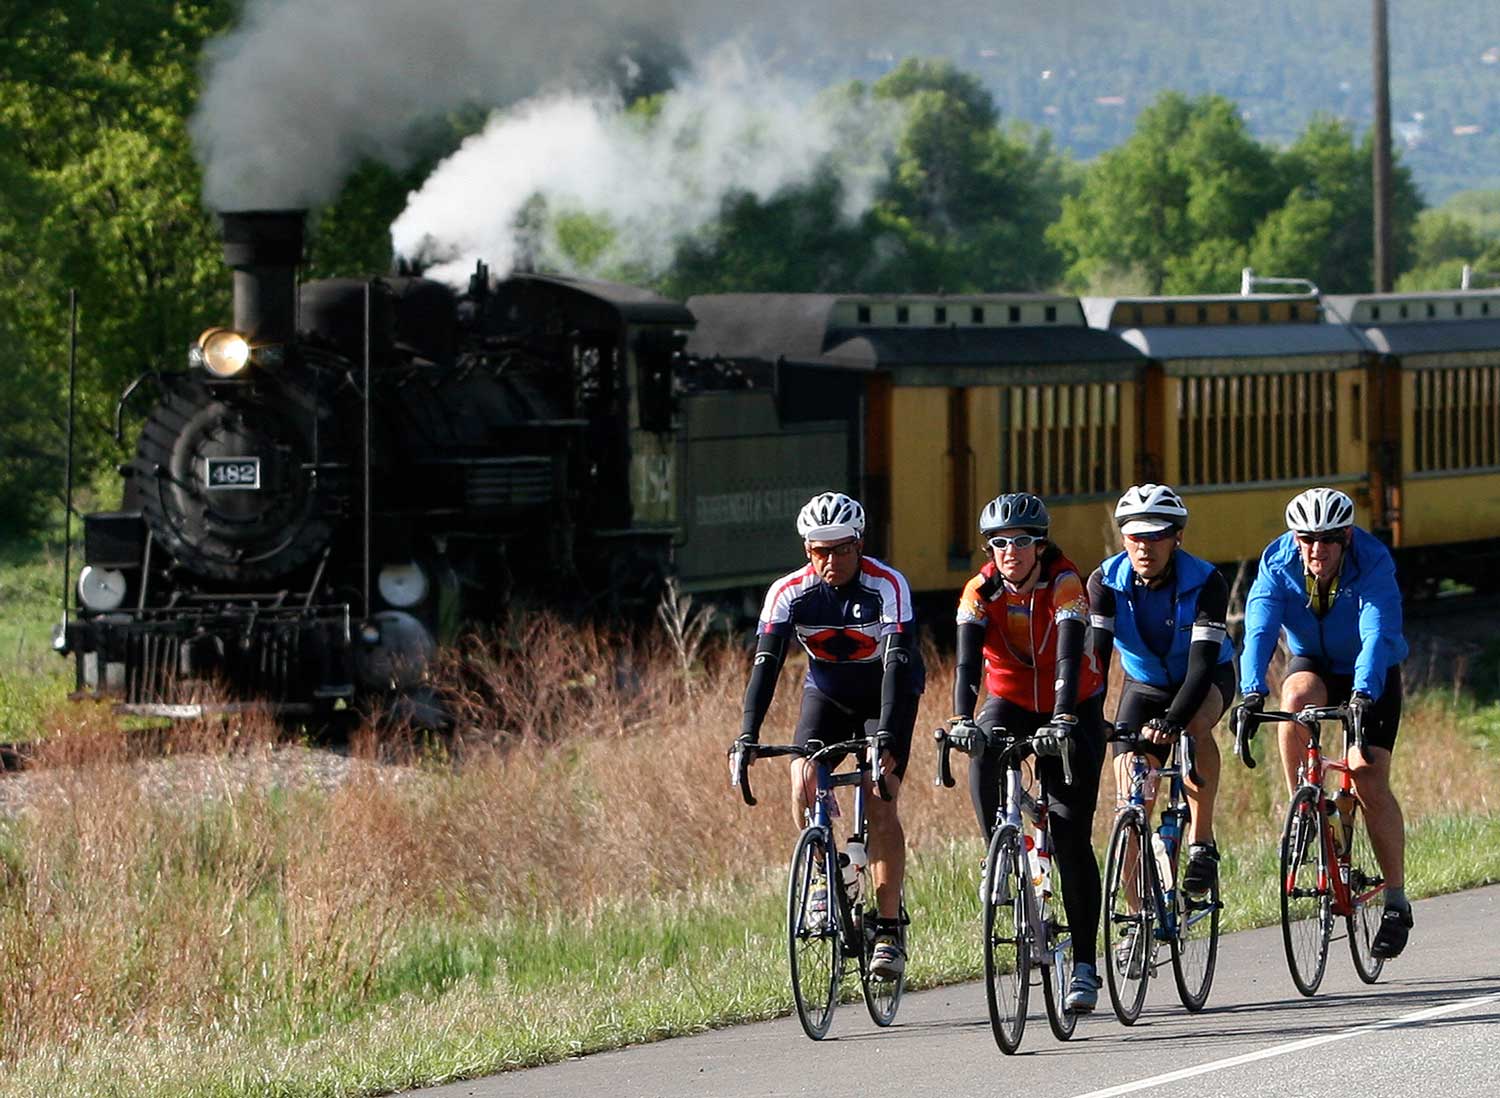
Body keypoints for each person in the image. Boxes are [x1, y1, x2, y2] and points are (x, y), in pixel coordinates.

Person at [734, 491, 925, 979]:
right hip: (828, 692)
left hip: (887, 691)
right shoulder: (788, 592)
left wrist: (884, 735)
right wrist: (747, 736)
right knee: (801, 776)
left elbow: (898, 661)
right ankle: (827, 869)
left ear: (859, 545)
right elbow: (767, 664)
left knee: (879, 795)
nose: (832, 560)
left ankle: (887, 929)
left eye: (842, 549)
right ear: (807, 551)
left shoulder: (887, 585)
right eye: (821, 550)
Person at [1237, 486, 1413, 958]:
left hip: (1368, 669)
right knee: (1294, 694)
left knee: (1366, 774)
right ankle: (1305, 800)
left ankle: (1396, 900)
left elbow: (1376, 633)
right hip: (1313, 660)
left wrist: (1362, 694)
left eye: (1328, 540)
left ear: (1347, 537)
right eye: (1307, 539)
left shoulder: (1373, 562)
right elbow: (1258, 629)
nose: (1316, 550)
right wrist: (1251, 690)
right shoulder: (1278, 563)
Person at [950, 491, 1107, 1013]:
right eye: (999, 543)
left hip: (1073, 701)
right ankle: (993, 851)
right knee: (983, 749)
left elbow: (1068, 653)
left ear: (1039, 545)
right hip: (1011, 697)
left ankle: (1084, 965)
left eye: (1020, 542)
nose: (1009, 551)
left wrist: (1063, 715)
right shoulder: (979, 591)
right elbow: (968, 665)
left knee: (1068, 833)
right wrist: (960, 718)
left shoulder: (1065, 582)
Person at [1089, 484, 1235, 896]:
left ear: (1177, 538)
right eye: (1136, 536)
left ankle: (1201, 843)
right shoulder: (1105, 581)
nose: (1145, 547)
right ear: (1123, 539)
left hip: (1205, 678)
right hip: (1145, 683)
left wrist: (1172, 722)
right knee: (1132, 801)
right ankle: (1134, 926)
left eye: (1157, 536)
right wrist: (1090, 715)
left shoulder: (1207, 581)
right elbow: (1096, 659)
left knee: (1193, 729)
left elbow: (1202, 664)